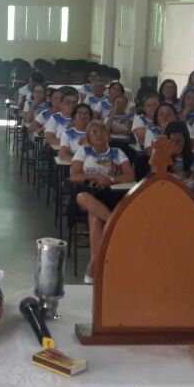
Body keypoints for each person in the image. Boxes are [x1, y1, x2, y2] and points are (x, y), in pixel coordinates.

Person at [71, 120, 134, 283]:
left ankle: (93, 266)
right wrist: (94, 176)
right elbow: (74, 175)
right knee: (83, 198)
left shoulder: (117, 152)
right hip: (86, 192)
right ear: (89, 138)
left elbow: (130, 176)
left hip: (108, 195)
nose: (99, 134)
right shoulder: (83, 151)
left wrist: (111, 179)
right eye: (94, 132)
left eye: (102, 131)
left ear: (108, 135)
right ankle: (116, 224)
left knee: (95, 216)